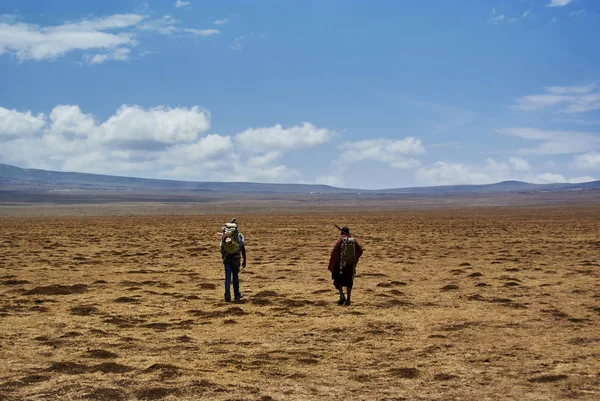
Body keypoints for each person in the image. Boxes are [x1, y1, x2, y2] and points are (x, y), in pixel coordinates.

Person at [328, 226, 363, 306]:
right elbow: (360, 251)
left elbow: (334, 251)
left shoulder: (340, 240)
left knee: (338, 280)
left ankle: (341, 295)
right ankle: (348, 299)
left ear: (341, 233)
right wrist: (354, 259)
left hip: (341, 265)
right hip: (350, 264)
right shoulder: (353, 241)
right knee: (349, 282)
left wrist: (333, 263)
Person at [220, 218, 246, 302]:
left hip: (227, 259)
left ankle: (227, 296)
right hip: (236, 259)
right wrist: (244, 260)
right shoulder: (239, 235)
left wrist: (223, 258)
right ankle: (237, 295)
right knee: (235, 277)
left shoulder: (224, 236)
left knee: (227, 277)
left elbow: (222, 248)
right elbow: (242, 248)